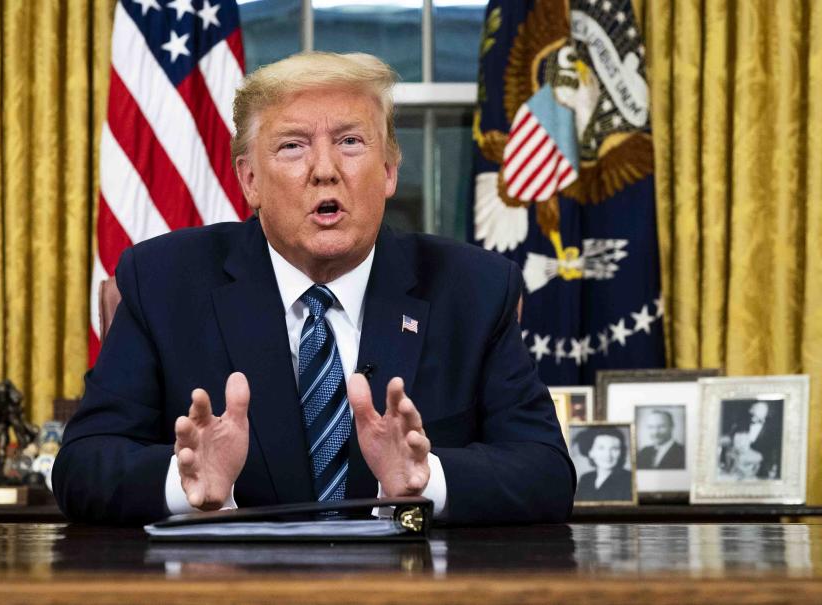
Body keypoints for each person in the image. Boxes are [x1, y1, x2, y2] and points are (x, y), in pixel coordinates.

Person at [52, 51, 575, 525]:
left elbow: (546, 471)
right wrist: (183, 483)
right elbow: (82, 464)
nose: (325, 170)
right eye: (292, 146)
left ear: (389, 170)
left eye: (350, 142)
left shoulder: (474, 289)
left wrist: (425, 481)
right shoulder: (164, 282)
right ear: (250, 180)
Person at [574, 427, 632, 502]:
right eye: (601, 448)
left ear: (621, 452)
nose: (608, 455)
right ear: (590, 452)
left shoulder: (629, 479)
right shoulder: (586, 479)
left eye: (614, 449)